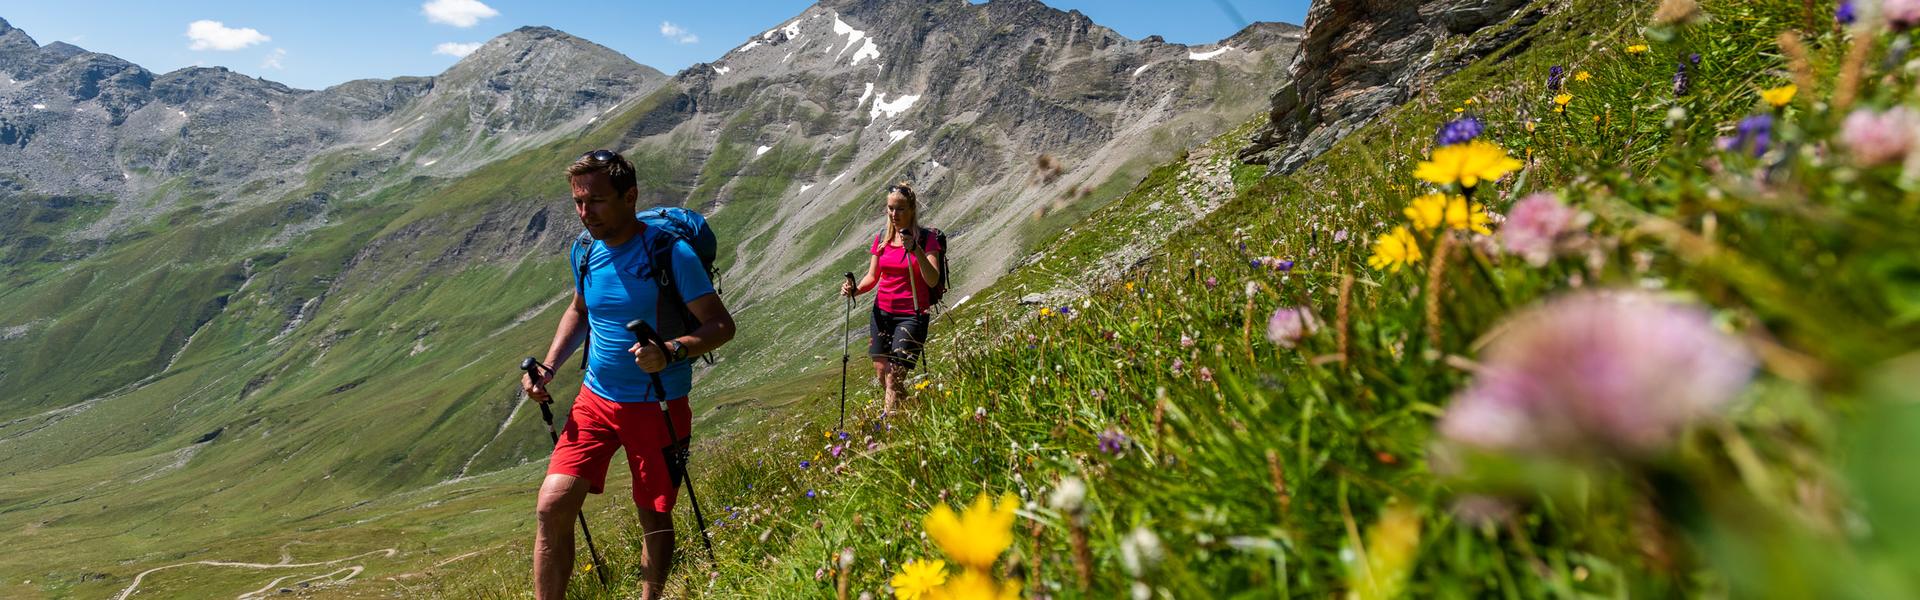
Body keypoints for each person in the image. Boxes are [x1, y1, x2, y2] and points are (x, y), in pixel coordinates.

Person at [520, 149, 735, 600]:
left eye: (596, 201)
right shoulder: (585, 250)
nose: (585, 213)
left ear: (630, 196)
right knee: (552, 505)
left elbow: (720, 325)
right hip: (595, 400)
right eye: (579, 202)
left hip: (658, 403)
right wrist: (550, 365)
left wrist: (671, 350)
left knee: (653, 516)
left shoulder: (670, 254)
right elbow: (580, 310)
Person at [840, 182, 943, 413]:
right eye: (890, 208)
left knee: (893, 376)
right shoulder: (882, 238)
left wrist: (915, 249)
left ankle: (887, 424)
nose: (894, 214)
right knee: (881, 372)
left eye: (900, 209)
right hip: (882, 313)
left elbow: (932, 279)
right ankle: (915, 410)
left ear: (912, 210)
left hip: (912, 314)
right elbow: (872, 276)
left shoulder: (927, 239)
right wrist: (855, 290)